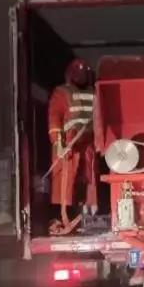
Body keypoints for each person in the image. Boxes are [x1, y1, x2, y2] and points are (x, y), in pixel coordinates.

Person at [47, 58, 98, 234]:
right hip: (69, 145)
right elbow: (55, 119)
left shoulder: (95, 92)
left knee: (89, 180)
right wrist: (58, 143)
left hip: (88, 144)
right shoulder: (62, 93)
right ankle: (65, 217)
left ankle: (88, 215)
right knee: (67, 183)